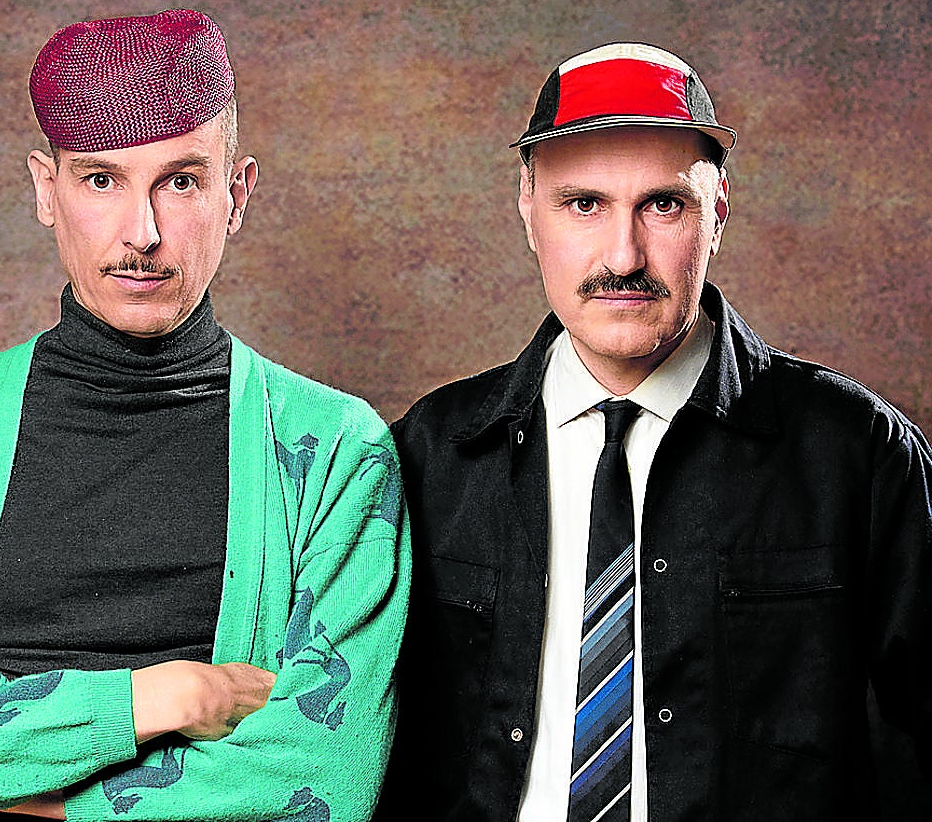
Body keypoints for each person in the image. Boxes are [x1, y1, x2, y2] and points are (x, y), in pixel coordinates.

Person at [0, 9, 408, 821]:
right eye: (100, 181)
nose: (142, 233)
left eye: (181, 181)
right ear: (45, 191)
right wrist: (169, 696)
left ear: (236, 194)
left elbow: (326, 778)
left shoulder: (336, 453)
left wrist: (19, 793)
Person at [378, 42, 932, 821]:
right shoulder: (429, 456)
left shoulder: (859, 456)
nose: (623, 255)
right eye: (584, 204)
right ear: (528, 210)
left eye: (664, 205)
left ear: (718, 211)